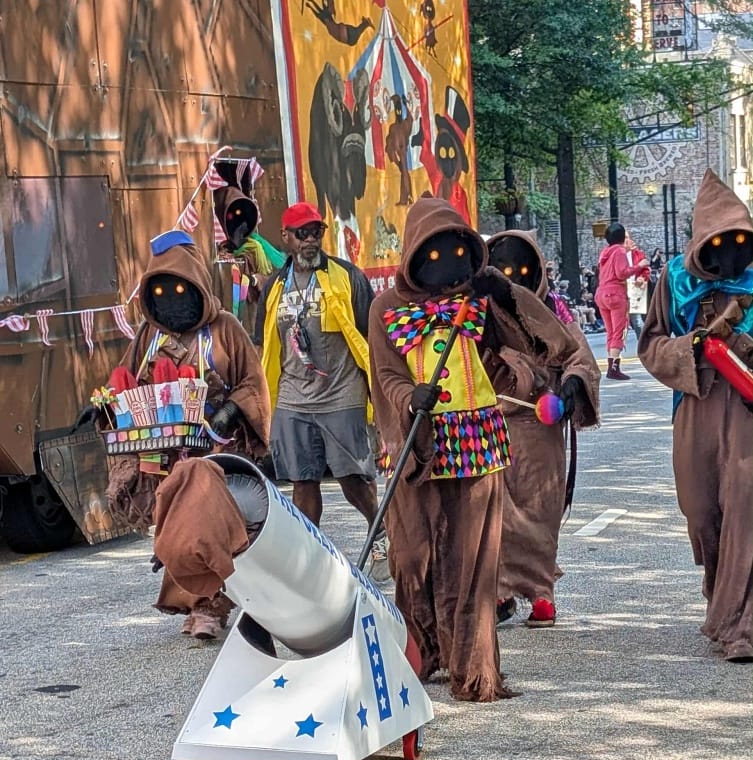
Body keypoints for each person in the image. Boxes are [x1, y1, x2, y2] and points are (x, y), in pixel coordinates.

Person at [368, 195, 514, 702]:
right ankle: (421, 649)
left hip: (477, 439)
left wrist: (506, 295)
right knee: (411, 554)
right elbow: (384, 371)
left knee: (469, 558)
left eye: (456, 252)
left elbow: (531, 340)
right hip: (418, 440)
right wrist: (411, 397)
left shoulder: (479, 301)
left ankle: (471, 665)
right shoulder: (386, 308)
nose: (447, 264)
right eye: (433, 253)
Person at [105, 230, 271, 639]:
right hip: (164, 450)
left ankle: (209, 605)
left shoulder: (225, 328)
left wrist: (231, 411)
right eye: (161, 291)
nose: (171, 299)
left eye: (179, 289)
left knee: (207, 523)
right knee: (178, 528)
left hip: (215, 446)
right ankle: (195, 599)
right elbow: (127, 382)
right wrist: (105, 406)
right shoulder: (148, 335)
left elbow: (253, 382)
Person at [638, 169, 753, 663]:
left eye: (740, 239)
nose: (730, 250)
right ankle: (721, 601)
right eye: (719, 240)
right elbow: (651, 342)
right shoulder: (675, 280)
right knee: (702, 511)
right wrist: (694, 348)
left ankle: (742, 625)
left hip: (747, 408)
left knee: (746, 506)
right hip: (695, 402)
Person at [255, 201, 389, 583]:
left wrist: (378, 399)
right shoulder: (274, 287)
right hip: (292, 397)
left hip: (341, 392)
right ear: (286, 237)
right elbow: (263, 343)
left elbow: (370, 337)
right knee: (303, 481)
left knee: (353, 479)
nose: (310, 240)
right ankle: (308, 556)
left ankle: (380, 533)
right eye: (302, 233)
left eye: (316, 232)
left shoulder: (347, 276)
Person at [485, 229, 601, 627]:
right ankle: (500, 590)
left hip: (541, 425)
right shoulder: (479, 310)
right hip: (494, 420)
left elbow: (579, 355)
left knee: (541, 509)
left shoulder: (556, 308)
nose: (514, 279)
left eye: (522, 272)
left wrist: (572, 385)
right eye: (504, 271)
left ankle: (540, 592)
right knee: (497, 509)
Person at [213, 186, 286, 342]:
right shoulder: (221, 250)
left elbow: (270, 278)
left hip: (255, 308)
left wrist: (255, 279)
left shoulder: (255, 247)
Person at [594, 222, 649, 380]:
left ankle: (611, 364)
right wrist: (639, 266)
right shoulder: (619, 251)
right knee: (619, 331)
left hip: (602, 293)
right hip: (616, 294)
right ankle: (614, 367)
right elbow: (622, 273)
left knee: (610, 331)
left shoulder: (606, 252)